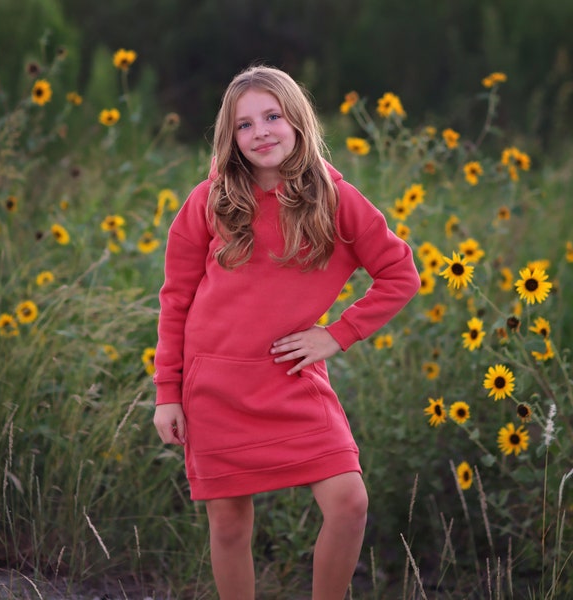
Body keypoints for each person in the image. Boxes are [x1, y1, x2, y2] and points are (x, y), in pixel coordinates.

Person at [153, 65, 420, 600]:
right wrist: (167, 394)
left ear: (297, 120)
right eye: (245, 125)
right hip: (215, 388)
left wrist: (338, 334)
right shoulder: (209, 200)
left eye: (272, 116)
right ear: (231, 138)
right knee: (229, 526)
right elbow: (176, 300)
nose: (261, 133)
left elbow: (400, 274)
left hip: (292, 379)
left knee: (350, 503)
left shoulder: (337, 199)